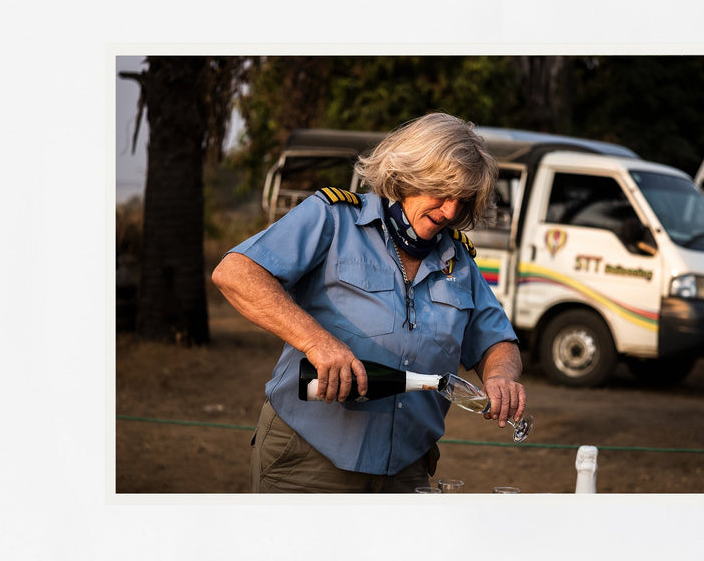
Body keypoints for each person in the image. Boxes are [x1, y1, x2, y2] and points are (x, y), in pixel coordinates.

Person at [211, 112, 527, 493]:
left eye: (462, 203)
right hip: (307, 465)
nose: (450, 213)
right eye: (441, 194)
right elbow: (236, 273)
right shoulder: (333, 217)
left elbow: (498, 341)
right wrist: (318, 343)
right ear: (410, 176)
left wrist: (500, 377)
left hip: (407, 473)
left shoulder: (459, 260)